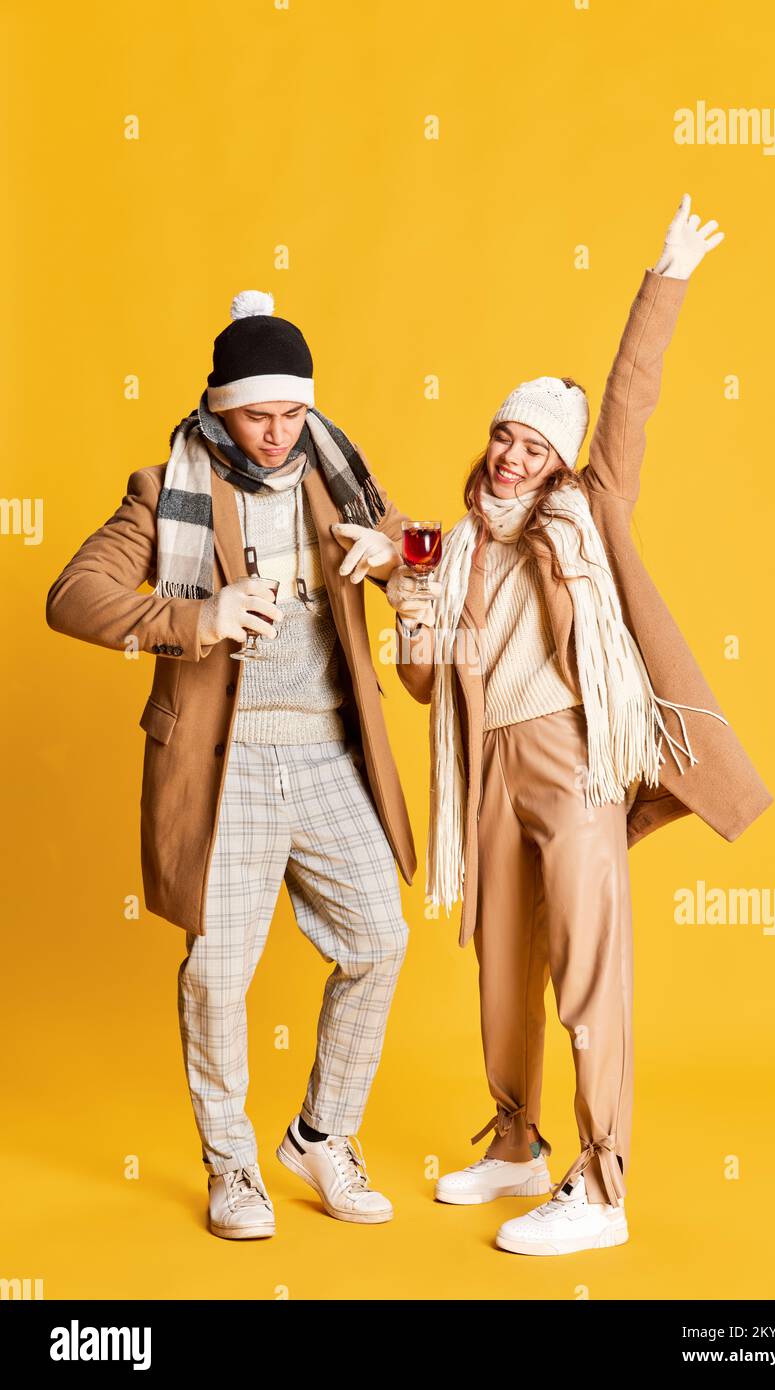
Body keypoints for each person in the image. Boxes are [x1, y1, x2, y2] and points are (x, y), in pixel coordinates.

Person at [387, 195, 773, 1256]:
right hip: (491, 768)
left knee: (592, 971)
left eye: (531, 446)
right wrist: (408, 598)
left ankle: (600, 1187)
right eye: (503, 437)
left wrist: (667, 278)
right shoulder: (457, 548)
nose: (511, 457)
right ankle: (514, 1141)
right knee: (502, 968)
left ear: (560, 462)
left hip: (574, 757)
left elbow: (628, 405)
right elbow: (428, 687)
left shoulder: (588, 512)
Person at [46, 290, 415, 1240]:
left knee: (379, 938)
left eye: (293, 412)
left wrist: (395, 558)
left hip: (330, 752)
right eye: (258, 413)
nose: (277, 433)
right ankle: (233, 1167)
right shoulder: (162, 486)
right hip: (229, 763)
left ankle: (321, 1136)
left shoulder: (340, 475)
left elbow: (435, 560)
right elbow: (72, 596)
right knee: (216, 975)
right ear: (216, 405)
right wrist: (192, 619)